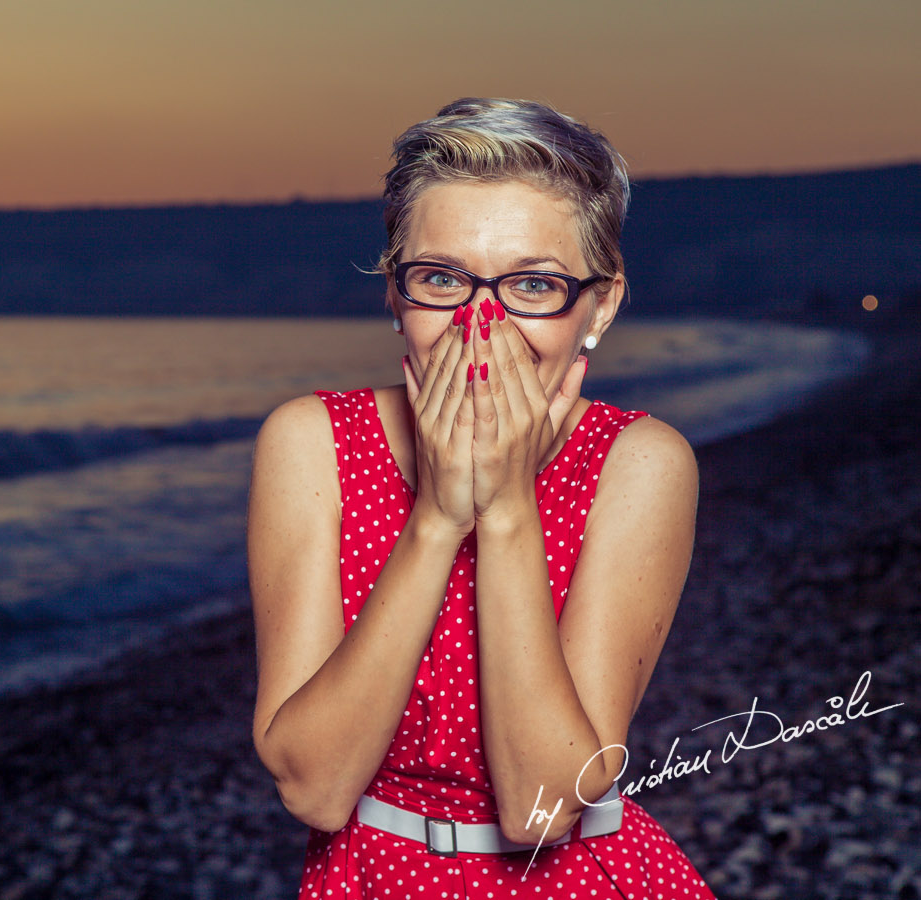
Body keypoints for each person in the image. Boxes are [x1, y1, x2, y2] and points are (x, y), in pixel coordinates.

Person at [248, 98, 715, 899]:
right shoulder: (310, 442)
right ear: (394, 294)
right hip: (367, 877)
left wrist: (504, 510)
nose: (482, 326)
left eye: (533, 284)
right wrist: (436, 517)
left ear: (598, 306)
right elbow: (316, 789)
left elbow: (542, 810)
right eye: (441, 278)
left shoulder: (641, 464)